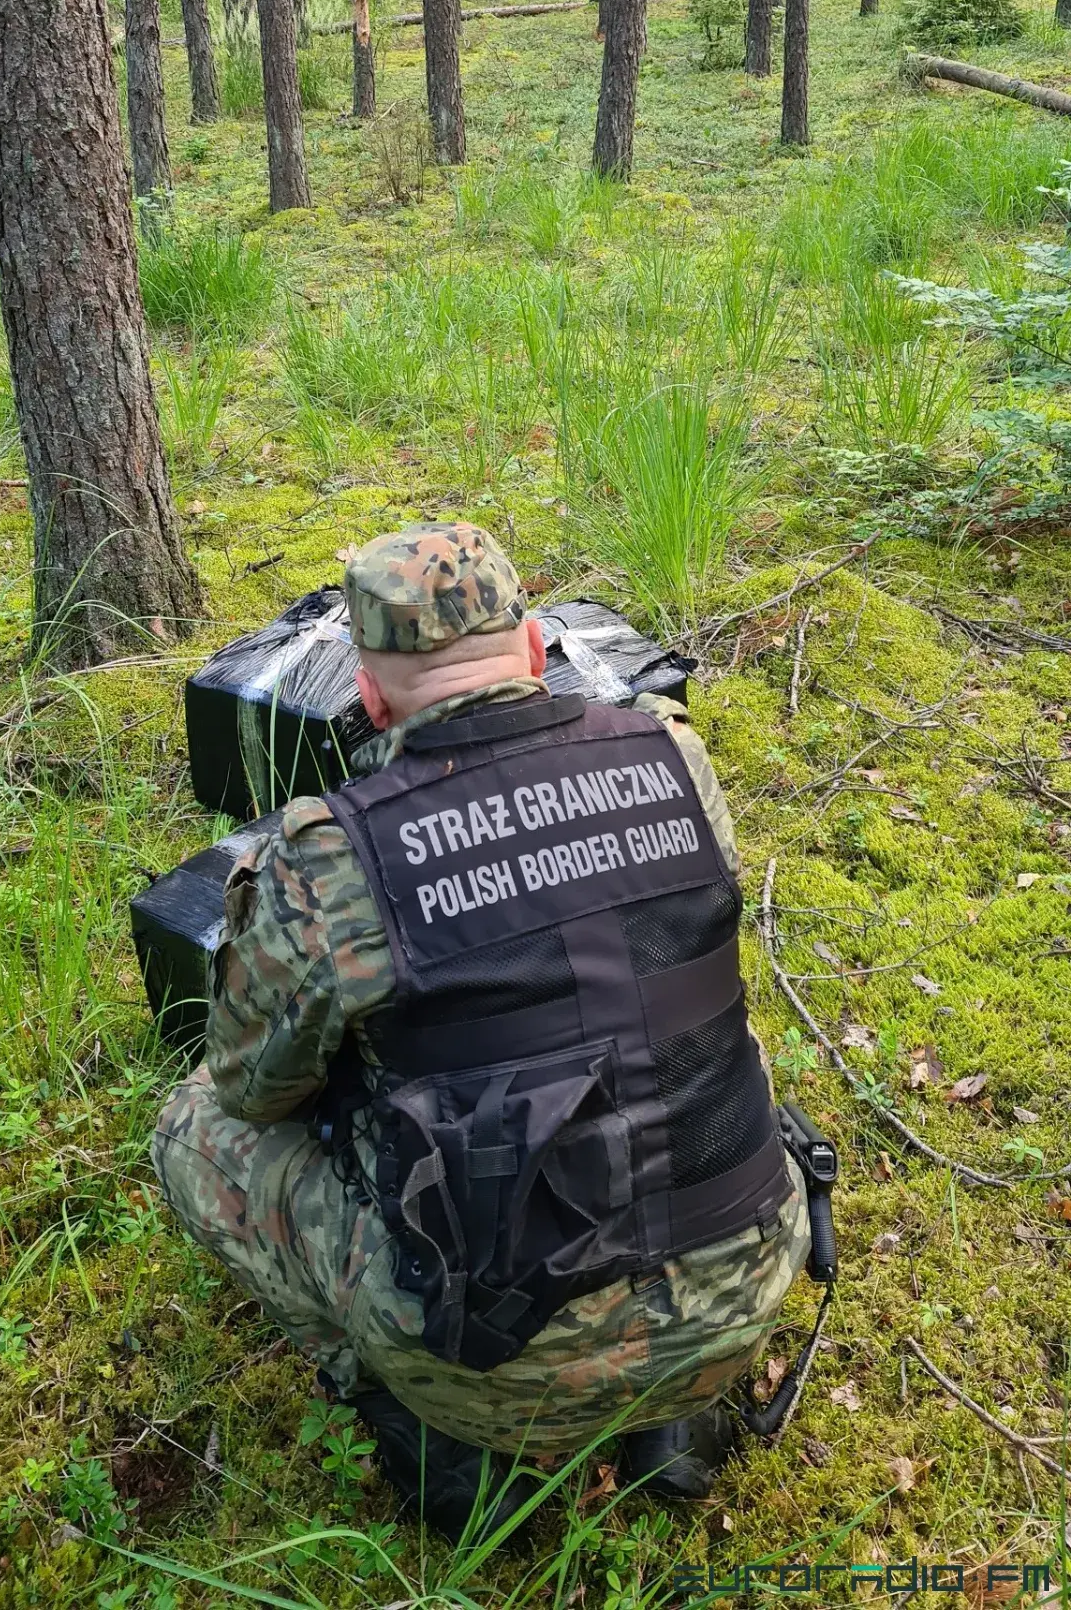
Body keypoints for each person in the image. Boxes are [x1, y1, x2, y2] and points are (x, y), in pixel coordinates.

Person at [153, 522, 812, 1540]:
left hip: (497, 1359)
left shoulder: (336, 855)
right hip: (751, 1276)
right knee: (701, 1034)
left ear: (368, 696)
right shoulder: (674, 755)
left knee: (193, 1127)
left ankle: (432, 1429)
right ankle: (681, 1408)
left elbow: (252, 1088)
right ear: (538, 650)